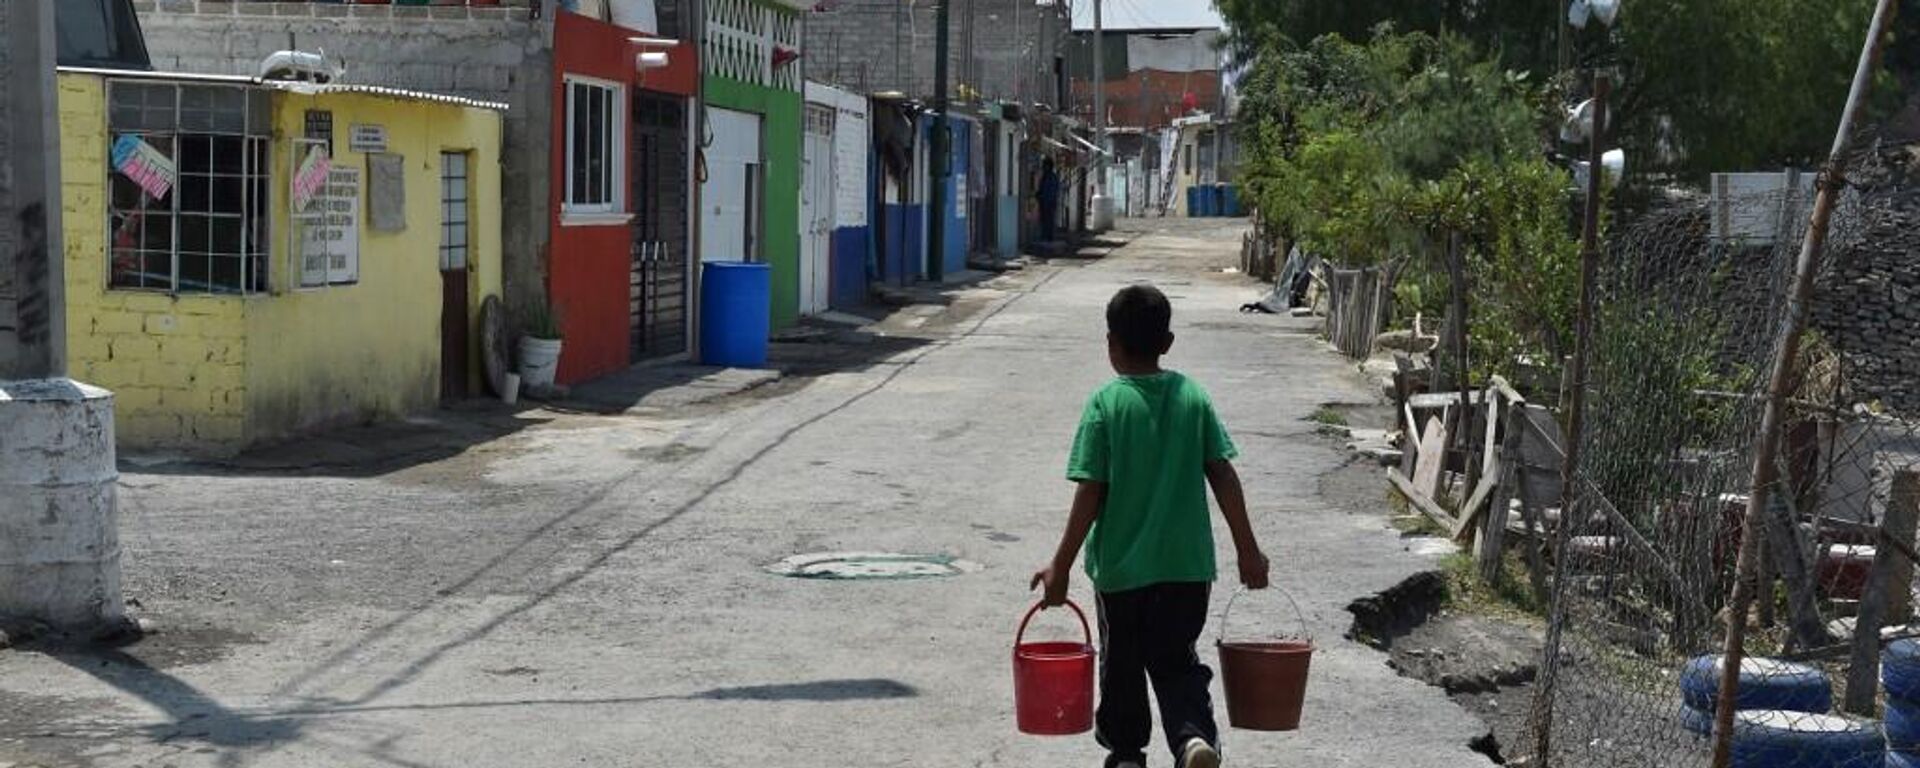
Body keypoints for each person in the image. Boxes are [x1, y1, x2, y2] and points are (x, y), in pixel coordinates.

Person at [1032, 284, 1270, 768]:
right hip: (1186, 568)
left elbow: (1091, 492)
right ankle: (1191, 739)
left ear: (1111, 344)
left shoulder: (1105, 405)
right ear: (1167, 343)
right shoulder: (1192, 397)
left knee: (1122, 666)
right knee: (1176, 659)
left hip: (1120, 570)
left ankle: (1126, 755)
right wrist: (1248, 550)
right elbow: (1222, 473)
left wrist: (1061, 563)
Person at [1037, 158, 1062, 243]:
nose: (1043, 167)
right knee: (1045, 220)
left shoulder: (1050, 177)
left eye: (1044, 166)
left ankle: (1047, 237)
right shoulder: (1047, 176)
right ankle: (1046, 237)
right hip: (1046, 202)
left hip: (1048, 202)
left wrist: (1042, 196)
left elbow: (1050, 190)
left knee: (1048, 220)